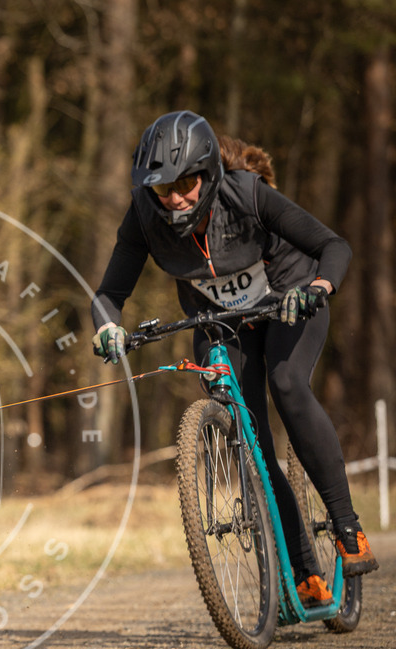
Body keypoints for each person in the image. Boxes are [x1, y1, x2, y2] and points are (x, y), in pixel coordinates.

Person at [91, 110, 378, 605]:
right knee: (250, 436)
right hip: (219, 322)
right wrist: (108, 327)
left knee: (287, 385)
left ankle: (347, 528)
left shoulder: (245, 193)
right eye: (163, 189)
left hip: (290, 301)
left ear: (207, 173)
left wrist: (318, 286)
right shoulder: (143, 215)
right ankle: (304, 570)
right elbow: (109, 292)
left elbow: (334, 245)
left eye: (185, 183)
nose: (175, 198)